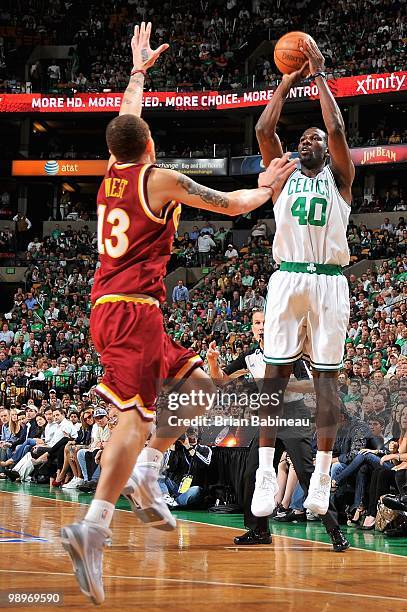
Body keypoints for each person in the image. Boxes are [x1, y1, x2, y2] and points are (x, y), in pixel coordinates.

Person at [60, 22, 297, 606]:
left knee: (199, 389)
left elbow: (128, 120)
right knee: (134, 420)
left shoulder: (114, 171)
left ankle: (147, 472)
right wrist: (266, 185)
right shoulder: (158, 178)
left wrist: (138, 72)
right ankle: (93, 528)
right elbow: (231, 204)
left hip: (129, 310)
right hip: (129, 312)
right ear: (150, 145)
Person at [253, 37, 355, 517]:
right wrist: (284, 82)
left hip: (331, 281)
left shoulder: (342, 179)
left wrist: (317, 76)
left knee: (325, 384)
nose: (306, 143)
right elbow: (263, 128)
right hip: (288, 278)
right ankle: (263, 471)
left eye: (312, 139)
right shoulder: (282, 177)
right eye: (302, 141)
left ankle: (320, 477)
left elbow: (335, 125)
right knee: (272, 379)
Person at [206, 310, 349, 551]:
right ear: (252, 328)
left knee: (305, 471)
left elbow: (308, 384)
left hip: (293, 415)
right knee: (252, 471)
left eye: (266, 322)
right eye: (257, 323)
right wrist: (212, 360)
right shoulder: (249, 357)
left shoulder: (288, 353)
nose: (261, 326)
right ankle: (259, 529)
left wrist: (281, 384)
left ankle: (334, 530)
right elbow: (220, 380)